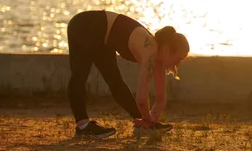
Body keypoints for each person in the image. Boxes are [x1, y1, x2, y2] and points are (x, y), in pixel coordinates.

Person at [67, 10, 189, 138]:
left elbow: (160, 99)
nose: (178, 63)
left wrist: (152, 118)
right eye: (179, 58)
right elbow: (142, 100)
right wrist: (148, 119)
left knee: (115, 80)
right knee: (79, 75)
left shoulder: (159, 60)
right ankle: (83, 126)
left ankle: (140, 122)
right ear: (166, 50)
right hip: (84, 25)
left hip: (103, 37)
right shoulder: (150, 52)